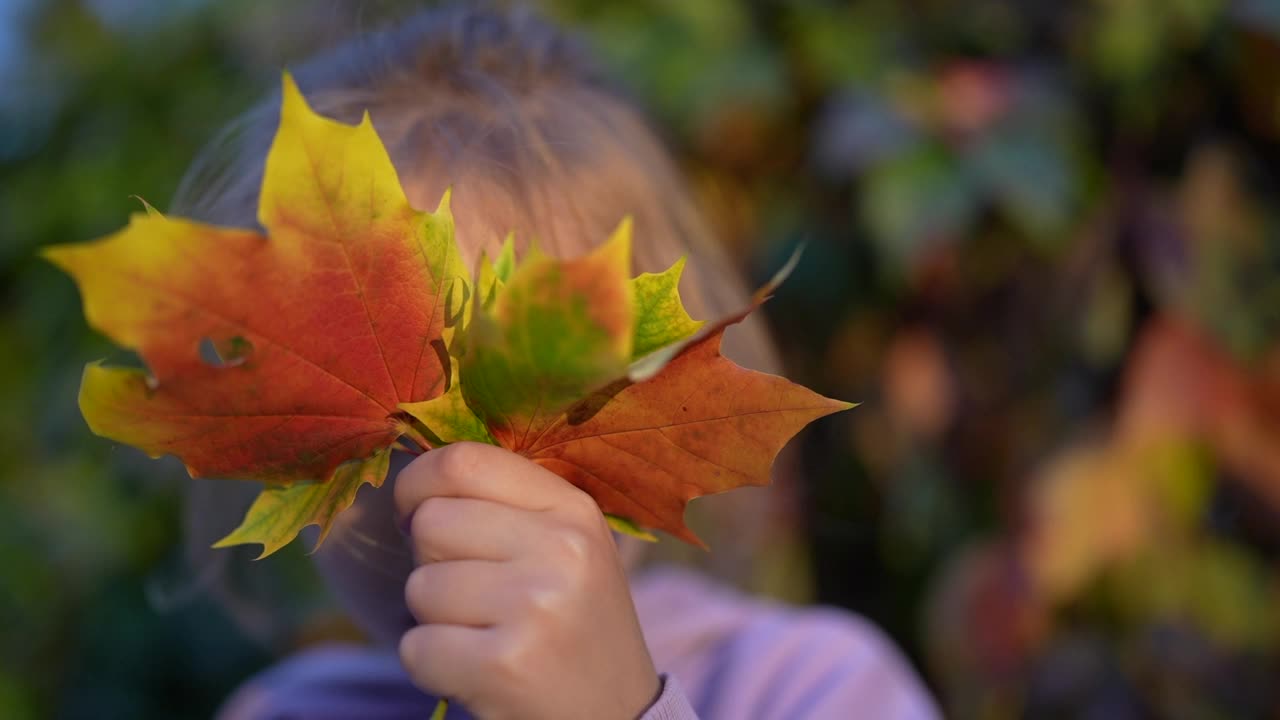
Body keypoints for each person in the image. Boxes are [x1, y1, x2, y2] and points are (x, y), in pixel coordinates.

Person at [179, 5, 940, 719]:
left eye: (524, 384)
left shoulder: (810, 685)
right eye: (361, 415)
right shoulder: (286, 710)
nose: (445, 472)